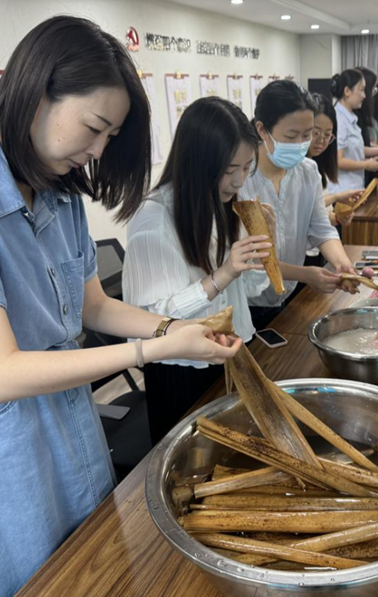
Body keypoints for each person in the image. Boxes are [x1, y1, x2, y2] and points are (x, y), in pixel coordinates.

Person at [0, 16, 239, 597]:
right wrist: (153, 348)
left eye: (111, 136)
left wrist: (177, 327)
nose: (97, 151)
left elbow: (96, 307)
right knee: (35, 576)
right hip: (2, 422)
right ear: (37, 93)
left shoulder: (57, 190)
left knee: (94, 551)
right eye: (94, 127)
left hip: (68, 397)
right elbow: (0, 373)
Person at [123, 97, 272, 444]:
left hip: (229, 353)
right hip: (181, 368)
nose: (239, 181)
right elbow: (156, 319)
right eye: (229, 169)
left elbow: (252, 289)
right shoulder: (153, 219)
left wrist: (266, 242)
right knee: (191, 461)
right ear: (198, 162)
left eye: (247, 167)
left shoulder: (219, 202)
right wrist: (223, 275)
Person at [240, 80, 359, 329]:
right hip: (245, 304)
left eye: (307, 135)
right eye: (291, 136)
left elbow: (321, 229)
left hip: (287, 297)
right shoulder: (240, 179)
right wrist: (305, 274)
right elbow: (249, 262)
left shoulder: (308, 171)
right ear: (262, 130)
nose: (300, 144)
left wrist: (342, 264)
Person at [307, 92, 363, 228]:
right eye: (315, 133)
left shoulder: (320, 165)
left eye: (327, 135)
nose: (321, 140)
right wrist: (336, 197)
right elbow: (305, 209)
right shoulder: (296, 167)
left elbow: (321, 217)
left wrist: (338, 218)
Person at [328, 69, 378, 195]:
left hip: (353, 187)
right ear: (347, 91)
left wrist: (372, 158)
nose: (364, 95)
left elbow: (353, 150)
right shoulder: (339, 118)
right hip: (342, 190)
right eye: (361, 90)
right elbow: (338, 161)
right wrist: (366, 165)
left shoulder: (351, 117)